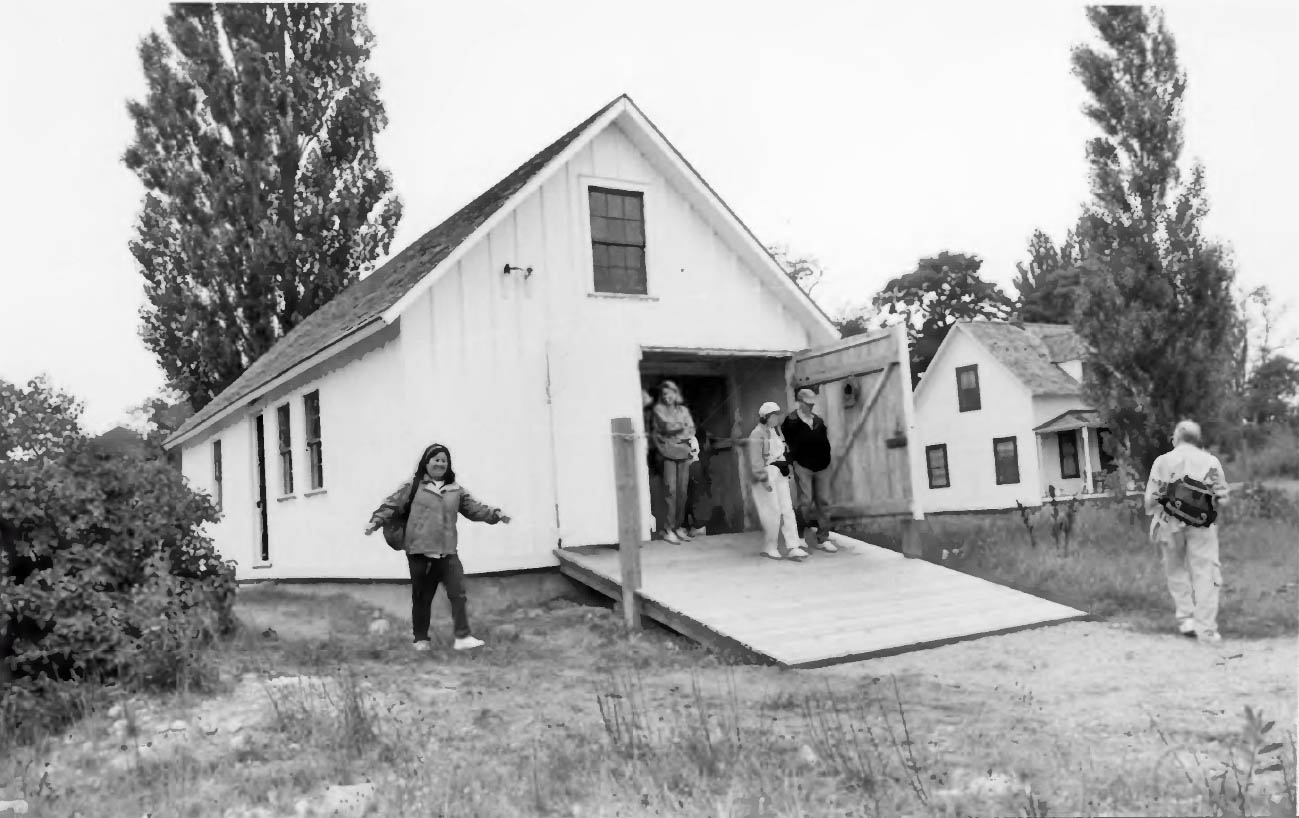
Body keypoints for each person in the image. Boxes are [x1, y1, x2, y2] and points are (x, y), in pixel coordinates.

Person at [365, 443, 511, 651]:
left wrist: (496, 514)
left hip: (447, 552)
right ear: (427, 462)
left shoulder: (455, 490)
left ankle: (463, 637)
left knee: (458, 594)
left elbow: (475, 509)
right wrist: (375, 522)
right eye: (436, 459)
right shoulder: (413, 486)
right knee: (422, 597)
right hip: (419, 552)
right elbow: (391, 505)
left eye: (444, 460)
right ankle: (421, 639)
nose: (440, 463)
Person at [1143, 420, 1230, 645]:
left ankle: (1186, 618)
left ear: (1177, 436)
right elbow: (1223, 497)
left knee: (1175, 569)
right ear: (1197, 438)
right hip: (1202, 524)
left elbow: (1150, 500)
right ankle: (1207, 630)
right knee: (1206, 573)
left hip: (1169, 522)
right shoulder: (1211, 461)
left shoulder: (1163, 461)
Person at [746, 401, 809, 561]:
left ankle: (793, 546)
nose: (777, 418)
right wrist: (763, 479)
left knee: (787, 509)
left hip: (780, 474)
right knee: (772, 512)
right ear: (766, 417)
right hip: (767, 474)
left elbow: (781, 452)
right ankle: (770, 546)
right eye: (774, 415)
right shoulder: (757, 434)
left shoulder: (776, 431)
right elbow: (756, 460)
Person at [781, 387, 838, 553]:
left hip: (822, 466)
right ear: (800, 402)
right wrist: (792, 462)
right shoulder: (790, 421)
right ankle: (800, 536)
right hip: (802, 465)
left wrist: (827, 459)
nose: (811, 407)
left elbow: (825, 441)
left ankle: (823, 538)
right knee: (805, 501)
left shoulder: (818, 421)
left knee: (824, 502)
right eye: (808, 404)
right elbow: (785, 443)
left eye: (812, 404)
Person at [650, 380, 696, 544]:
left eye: (670, 393)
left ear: (677, 394)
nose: (667, 396)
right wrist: (679, 428)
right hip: (667, 453)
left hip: (683, 452)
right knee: (671, 492)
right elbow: (667, 426)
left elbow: (691, 429)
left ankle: (677, 527)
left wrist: (678, 433)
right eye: (664, 394)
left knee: (682, 492)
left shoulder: (683, 409)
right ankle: (667, 529)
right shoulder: (658, 409)